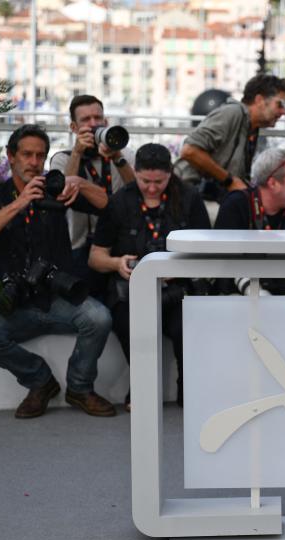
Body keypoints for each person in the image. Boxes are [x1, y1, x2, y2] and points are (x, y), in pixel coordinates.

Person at [0, 124, 116, 419]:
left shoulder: (56, 187)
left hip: (59, 295)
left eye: (40, 155)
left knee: (99, 318)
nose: (34, 162)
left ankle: (80, 388)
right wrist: (19, 203)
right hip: (16, 303)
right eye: (27, 154)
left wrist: (80, 184)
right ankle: (40, 382)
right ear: (11, 156)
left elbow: (109, 207)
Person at [88, 143, 210, 409]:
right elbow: (95, 257)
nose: (152, 188)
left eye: (160, 182)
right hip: (131, 292)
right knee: (132, 326)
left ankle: (187, 388)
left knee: (184, 327)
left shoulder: (189, 198)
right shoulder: (120, 201)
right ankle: (143, 386)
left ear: (171, 175)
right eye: (145, 181)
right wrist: (117, 263)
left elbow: (207, 253)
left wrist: (177, 270)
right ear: (135, 173)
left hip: (179, 289)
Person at [175, 74, 285, 223]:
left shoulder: (251, 127)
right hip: (194, 198)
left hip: (212, 197)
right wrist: (229, 181)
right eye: (280, 104)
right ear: (259, 100)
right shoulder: (232, 113)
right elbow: (189, 151)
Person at [50, 94, 136, 294]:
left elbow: (136, 193)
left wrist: (117, 156)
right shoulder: (62, 160)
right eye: (86, 120)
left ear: (106, 122)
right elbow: (63, 193)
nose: (93, 124)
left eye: (98, 119)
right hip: (81, 246)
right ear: (73, 128)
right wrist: (77, 154)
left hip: (120, 244)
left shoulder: (126, 155)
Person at [212, 147, 285, 295]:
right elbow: (224, 270)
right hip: (238, 301)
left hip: (283, 301)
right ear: (273, 183)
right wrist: (257, 293)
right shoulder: (237, 205)